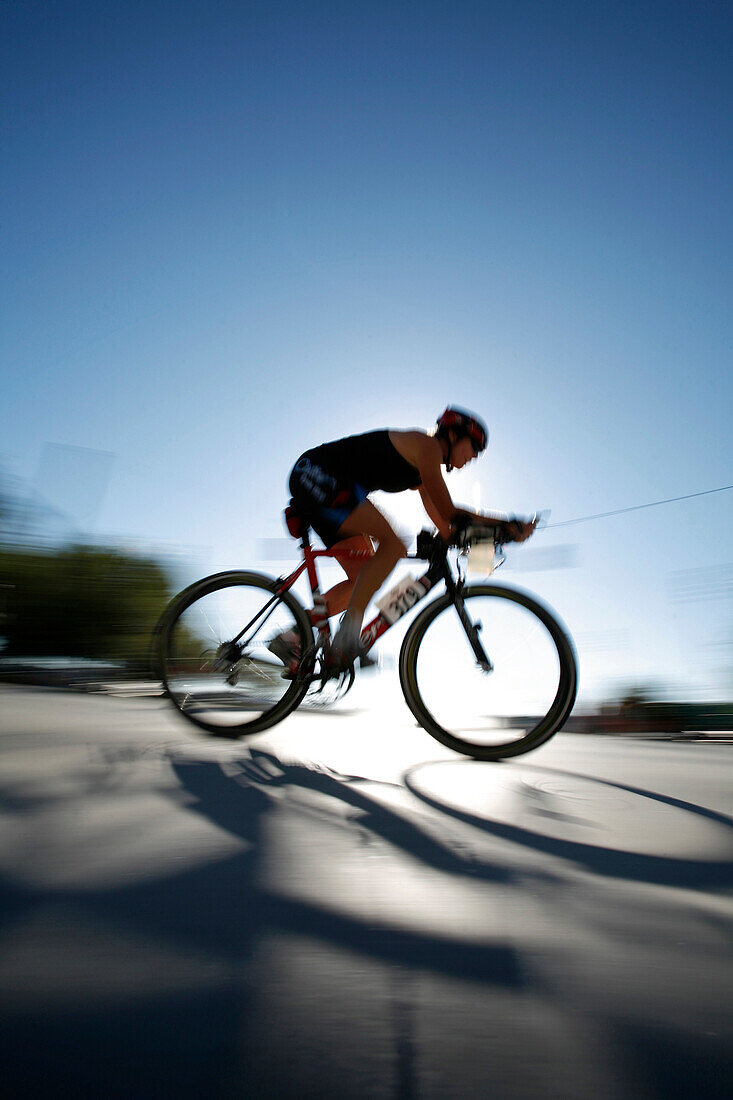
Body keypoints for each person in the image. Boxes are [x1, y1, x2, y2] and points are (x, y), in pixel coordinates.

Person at [270, 406, 535, 671]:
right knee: (395, 545)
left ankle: (293, 637)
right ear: (453, 435)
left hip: (330, 487)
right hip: (319, 473)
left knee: (364, 576)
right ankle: (348, 635)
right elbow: (449, 511)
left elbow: (446, 526)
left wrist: (493, 538)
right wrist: (507, 523)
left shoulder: (421, 471)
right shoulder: (427, 446)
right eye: (474, 447)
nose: (475, 456)